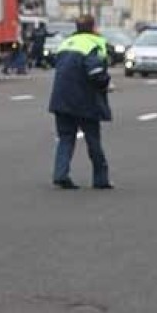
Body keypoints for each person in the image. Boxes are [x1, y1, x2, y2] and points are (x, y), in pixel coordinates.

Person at [48, 14, 112, 190]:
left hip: (60, 99)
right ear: (93, 27)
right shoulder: (93, 44)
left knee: (66, 138)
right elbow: (95, 73)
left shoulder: (66, 43)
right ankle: (101, 179)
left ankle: (60, 174)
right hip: (84, 101)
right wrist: (106, 82)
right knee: (93, 140)